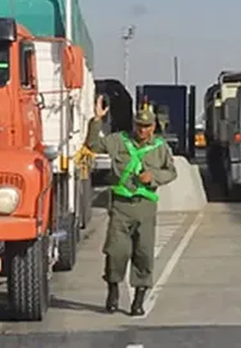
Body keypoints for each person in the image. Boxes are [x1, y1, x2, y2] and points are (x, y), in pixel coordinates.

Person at [85, 95, 178, 316]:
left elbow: (171, 172)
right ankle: (113, 290)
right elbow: (93, 145)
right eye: (139, 125)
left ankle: (138, 300)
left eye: (147, 126)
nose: (142, 130)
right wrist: (97, 120)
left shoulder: (160, 147)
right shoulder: (119, 141)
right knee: (117, 252)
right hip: (121, 206)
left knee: (143, 254)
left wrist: (152, 176)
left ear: (154, 126)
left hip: (145, 207)